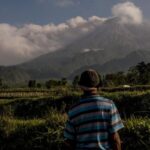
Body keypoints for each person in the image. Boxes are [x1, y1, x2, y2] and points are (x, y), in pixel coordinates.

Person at [64, 69, 124, 150]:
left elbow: (69, 142)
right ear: (98, 85)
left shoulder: (73, 110)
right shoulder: (109, 105)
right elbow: (115, 138)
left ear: (81, 87)